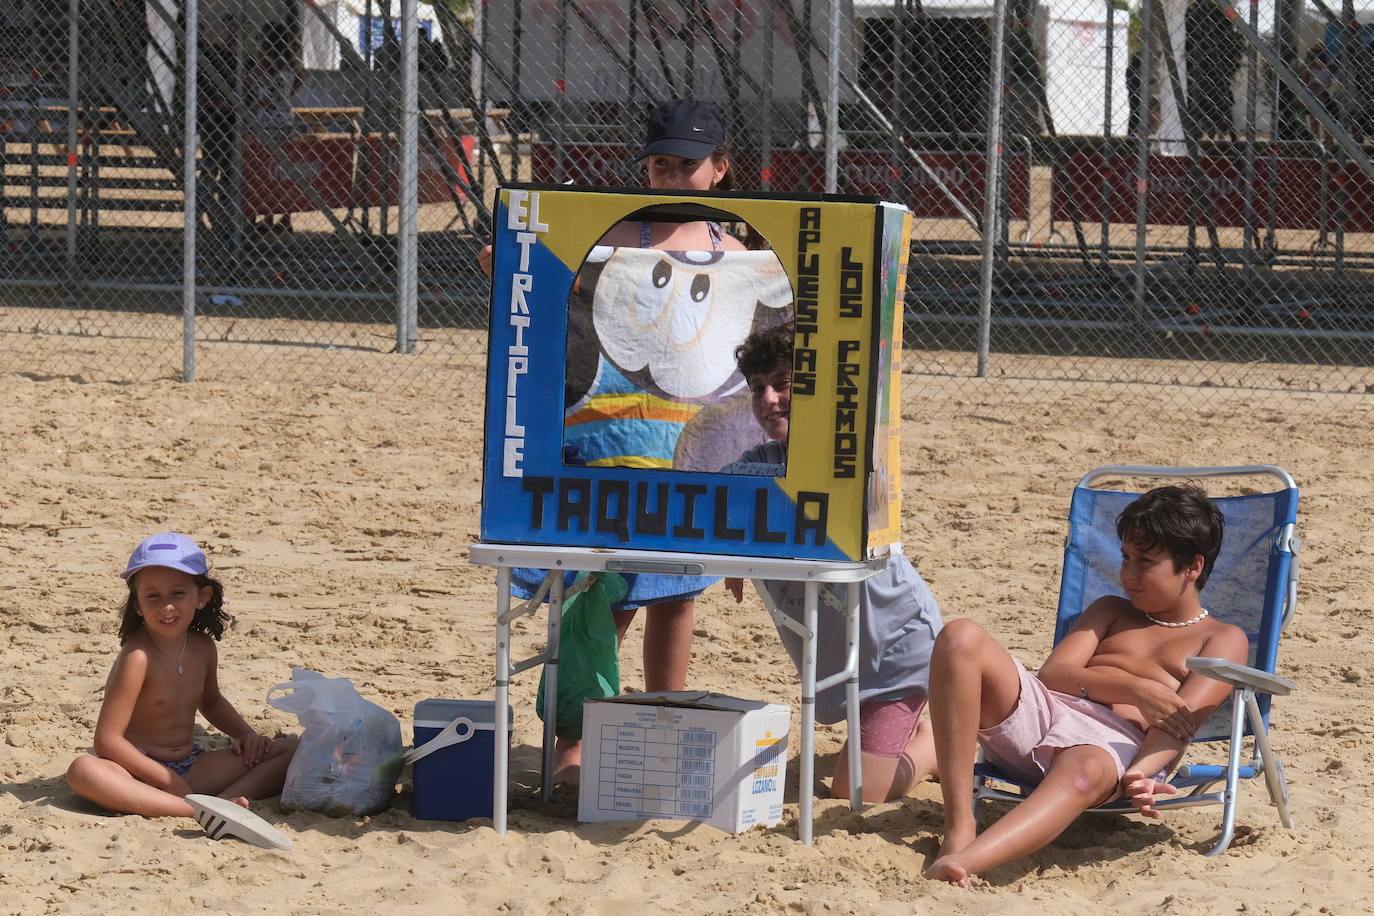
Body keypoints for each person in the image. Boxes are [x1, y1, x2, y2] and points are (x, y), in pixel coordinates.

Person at [478, 99, 752, 783]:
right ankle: (576, 735)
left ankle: (664, 716)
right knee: (598, 590)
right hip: (600, 441)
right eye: (659, 162)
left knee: (676, 590)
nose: (669, 175)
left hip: (687, 447)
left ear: (720, 169)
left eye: (686, 164)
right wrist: (506, 262)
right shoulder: (612, 236)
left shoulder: (741, 254)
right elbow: (535, 291)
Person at [922, 484, 1249, 887]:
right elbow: (1054, 675)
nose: (1128, 573)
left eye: (1145, 561)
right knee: (959, 637)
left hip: (1114, 744)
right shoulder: (1110, 610)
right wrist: (1134, 690)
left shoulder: (1221, 638)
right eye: (1126, 557)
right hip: (1047, 710)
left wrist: (1142, 774)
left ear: (1192, 567)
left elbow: (1178, 722)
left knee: (1085, 768)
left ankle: (964, 864)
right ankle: (959, 824)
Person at [721, 321, 944, 802]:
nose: (769, 400)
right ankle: (901, 733)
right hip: (841, 652)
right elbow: (722, 494)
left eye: (785, 384)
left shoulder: (854, 457)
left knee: (854, 796)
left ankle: (933, 747)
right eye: (758, 388)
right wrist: (730, 551)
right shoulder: (759, 462)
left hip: (896, 652)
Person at [66, 533, 298, 822]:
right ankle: (195, 811)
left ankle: (226, 803)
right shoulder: (138, 656)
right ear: (137, 603)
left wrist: (246, 735)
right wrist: (166, 780)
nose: (167, 606)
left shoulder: (202, 647)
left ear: (202, 597)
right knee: (83, 771)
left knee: (289, 749)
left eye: (177, 593)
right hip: (137, 772)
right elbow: (107, 740)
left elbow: (211, 702)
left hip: (191, 766)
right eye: (153, 596)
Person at [248, 21, 304, 233]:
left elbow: (249, 82)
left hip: (265, 121)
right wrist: (284, 96)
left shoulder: (264, 62)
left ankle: (270, 216)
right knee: (281, 170)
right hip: (283, 119)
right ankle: (284, 216)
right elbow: (299, 79)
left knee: (265, 170)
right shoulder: (290, 63)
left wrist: (264, 98)